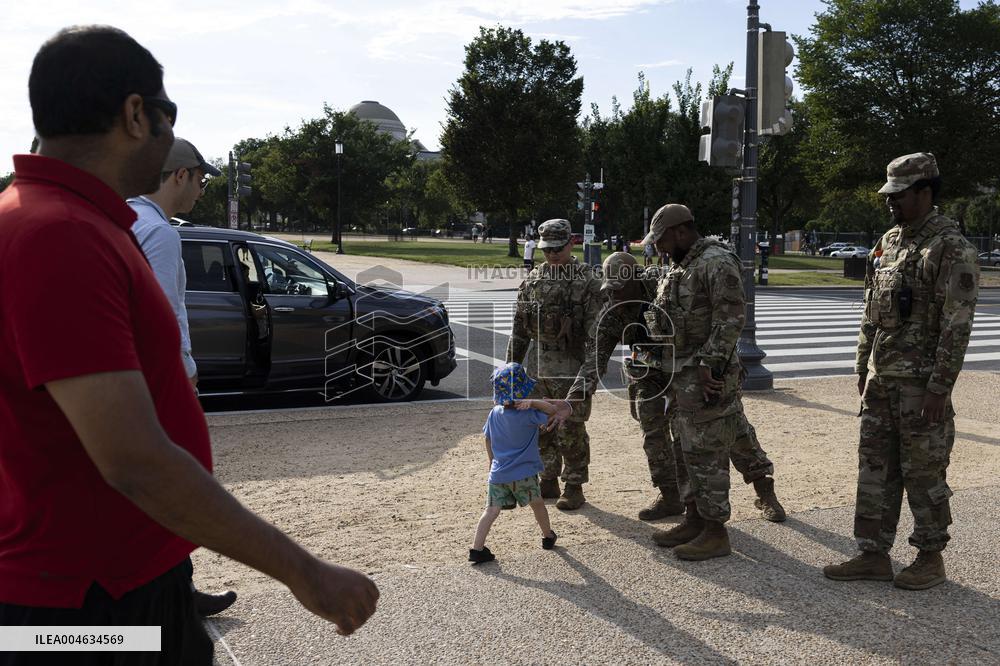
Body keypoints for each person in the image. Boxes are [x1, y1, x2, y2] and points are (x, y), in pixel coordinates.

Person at [0, 26, 377, 665]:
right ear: (135, 114)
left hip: (116, 579)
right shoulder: (58, 234)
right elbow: (134, 460)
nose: (175, 135)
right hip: (85, 606)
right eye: (169, 112)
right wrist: (304, 573)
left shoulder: (72, 219)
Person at [824, 152, 979, 590]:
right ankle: (872, 554)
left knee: (923, 470)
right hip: (882, 378)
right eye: (889, 195)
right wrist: (861, 364)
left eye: (900, 195)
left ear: (926, 191)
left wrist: (939, 386)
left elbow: (957, 324)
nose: (891, 203)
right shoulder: (889, 241)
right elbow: (870, 310)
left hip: (921, 386)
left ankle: (930, 557)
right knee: (875, 466)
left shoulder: (951, 247)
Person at [570, 251, 785, 523]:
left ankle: (764, 490)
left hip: (690, 366)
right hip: (650, 373)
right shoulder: (611, 312)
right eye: (609, 290)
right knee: (652, 431)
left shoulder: (664, 287)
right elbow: (595, 359)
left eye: (619, 289)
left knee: (729, 427)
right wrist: (575, 396)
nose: (614, 296)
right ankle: (670, 496)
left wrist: (713, 362)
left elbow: (705, 323)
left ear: (635, 279)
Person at [128, 138, 238, 617]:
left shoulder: (123, 217)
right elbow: (165, 316)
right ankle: (174, 598)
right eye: (200, 178)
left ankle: (170, 590)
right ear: (179, 176)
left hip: (126, 376)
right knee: (177, 487)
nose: (201, 188)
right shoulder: (161, 233)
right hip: (158, 379)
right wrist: (187, 373)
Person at [640, 204, 746, 561]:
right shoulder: (679, 265)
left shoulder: (716, 262)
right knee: (684, 450)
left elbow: (730, 318)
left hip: (704, 377)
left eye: (663, 240)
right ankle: (694, 518)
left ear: (682, 231)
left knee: (707, 451)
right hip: (680, 376)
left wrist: (710, 363)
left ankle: (716, 532)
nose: (660, 248)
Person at [506, 219, 604, 510]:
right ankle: (548, 477)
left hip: (570, 364)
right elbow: (519, 329)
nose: (551, 254)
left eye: (557, 249)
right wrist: (511, 369)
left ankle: (574, 484)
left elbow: (597, 334)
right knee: (539, 424)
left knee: (570, 427)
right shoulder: (534, 278)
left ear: (571, 244)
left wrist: (589, 374)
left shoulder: (587, 280)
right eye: (546, 249)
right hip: (538, 364)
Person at [469, 363, 569, 564]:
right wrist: (533, 402)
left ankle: (476, 549)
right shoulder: (529, 413)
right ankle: (548, 536)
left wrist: (491, 461)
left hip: (498, 474)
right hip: (524, 473)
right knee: (538, 504)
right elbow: (552, 411)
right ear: (523, 390)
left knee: (490, 511)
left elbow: (487, 438)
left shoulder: (494, 413)